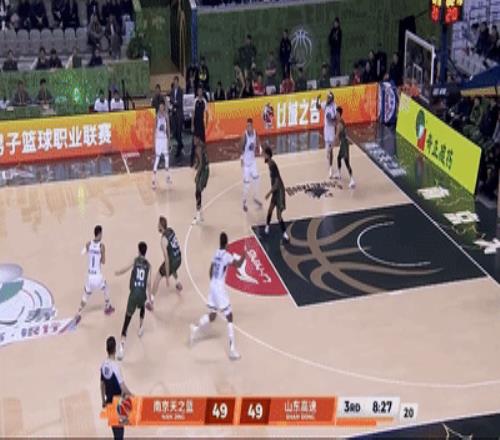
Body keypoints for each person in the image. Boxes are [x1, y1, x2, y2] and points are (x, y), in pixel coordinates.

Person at [190, 232, 246, 361]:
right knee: (229, 317)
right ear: (227, 244)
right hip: (219, 288)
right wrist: (244, 256)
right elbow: (238, 264)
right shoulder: (226, 256)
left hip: (213, 284)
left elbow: (210, 270)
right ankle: (232, 350)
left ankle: (195, 328)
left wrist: (213, 284)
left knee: (213, 315)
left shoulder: (216, 253)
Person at [114, 242, 152, 361]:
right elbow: (149, 283)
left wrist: (118, 272)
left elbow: (126, 269)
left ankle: (121, 348)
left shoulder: (135, 260)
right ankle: (141, 328)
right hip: (142, 294)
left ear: (139, 251)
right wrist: (150, 298)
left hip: (134, 293)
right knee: (142, 306)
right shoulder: (149, 265)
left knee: (127, 320)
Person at [75, 225, 115, 325]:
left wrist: (90, 252)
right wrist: (99, 256)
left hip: (89, 276)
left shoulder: (88, 244)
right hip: (97, 276)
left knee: (85, 296)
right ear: (100, 234)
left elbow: (82, 252)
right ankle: (108, 307)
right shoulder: (102, 246)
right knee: (106, 288)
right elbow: (104, 261)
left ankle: (78, 313)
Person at [100, 336, 132, 440]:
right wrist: (132, 395)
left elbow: (102, 384)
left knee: (115, 430)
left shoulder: (103, 365)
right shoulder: (116, 367)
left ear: (107, 349)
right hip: (117, 404)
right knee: (119, 433)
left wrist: (103, 401)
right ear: (115, 349)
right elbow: (123, 387)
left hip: (109, 402)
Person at [148, 216, 183, 307]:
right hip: (179, 258)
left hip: (172, 261)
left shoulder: (163, 240)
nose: (157, 226)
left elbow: (167, 259)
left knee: (158, 277)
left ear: (160, 226)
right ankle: (178, 283)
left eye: (158, 225)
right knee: (173, 268)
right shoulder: (171, 230)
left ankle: (151, 301)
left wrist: (167, 277)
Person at [263, 147, 289, 242]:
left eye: (264, 154)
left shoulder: (272, 166)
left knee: (278, 216)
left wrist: (269, 193)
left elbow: (277, 183)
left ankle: (285, 234)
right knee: (270, 209)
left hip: (279, 191)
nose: (263, 156)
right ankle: (267, 227)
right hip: (275, 190)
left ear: (268, 155)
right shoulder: (270, 164)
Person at [240, 118, 263, 212]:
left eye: (249, 126)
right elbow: (241, 147)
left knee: (257, 179)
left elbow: (258, 140)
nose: (248, 127)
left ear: (252, 126)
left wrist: (260, 147)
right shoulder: (244, 135)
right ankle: (244, 202)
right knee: (247, 185)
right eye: (247, 126)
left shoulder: (255, 132)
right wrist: (241, 158)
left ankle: (255, 197)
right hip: (246, 164)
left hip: (252, 162)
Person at [316, 91, 337, 178]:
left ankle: (331, 169)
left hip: (331, 129)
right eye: (327, 97)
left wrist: (331, 118)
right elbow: (318, 107)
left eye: (329, 98)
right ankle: (328, 157)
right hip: (326, 130)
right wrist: (317, 99)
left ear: (332, 99)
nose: (327, 99)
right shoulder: (325, 104)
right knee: (327, 151)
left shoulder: (334, 106)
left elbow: (336, 118)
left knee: (331, 150)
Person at [152, 101, 171, 188]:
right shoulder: (157, 116)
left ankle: (167, 177)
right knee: (157, 159)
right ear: (159, 108)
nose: (161, 108)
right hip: (158, 140)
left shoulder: (166, 116)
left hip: (164, 139)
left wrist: (169, 140)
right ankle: (153, 180)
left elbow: (168, 129)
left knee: (167, 158)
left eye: (162, 107)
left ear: (164, 107)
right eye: (160, 107)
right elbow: (154, 129)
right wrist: (153, 142)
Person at [334, 107, 355, 188]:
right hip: (343, 143)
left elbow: (336, 136)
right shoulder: (341, 121)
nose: (335, 114)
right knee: (339, 158)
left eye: (336, 113)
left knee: (346, 162)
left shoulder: (339, 124)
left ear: (339, 114)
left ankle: (352, 180)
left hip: (344, 144)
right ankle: (339, 174)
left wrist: (332, 145)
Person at [192, 136, 209, 225]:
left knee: (197, 193)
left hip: (204, 171)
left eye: (195, 139)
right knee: (198, 192)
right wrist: (196, 164)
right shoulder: (202, 145)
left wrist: (197, 175)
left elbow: (201, 164)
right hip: (206, 169)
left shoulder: (198, 148)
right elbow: (201, 160)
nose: (193, 140)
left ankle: (198, 216)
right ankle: (200, 215)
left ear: (198, 139)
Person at [191, 87, 208, 167]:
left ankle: (203, 161)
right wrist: (192, 125)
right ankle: (196, 161)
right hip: (196, 124)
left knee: (203, 144)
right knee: (195, 144)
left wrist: (206, 123)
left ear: (202, 92)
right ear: (197, 92)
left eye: (201, 91)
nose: (200, 92)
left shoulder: (204, 101)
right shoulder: (195, 101)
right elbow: (193, 113)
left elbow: (207, 113)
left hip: (201, 124)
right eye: (198, 91)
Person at [169, 76, 184, 159]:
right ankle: (180, 144)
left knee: (179, 132)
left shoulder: (181, 91)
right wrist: (174, 102)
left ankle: (179, 149)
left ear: (178, 82)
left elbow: (179, 103)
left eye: (176, 82)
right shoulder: (171, 91)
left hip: (179, 114)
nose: (175, 83)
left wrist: (174, 102)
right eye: (174, 82)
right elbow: (171, 100)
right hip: (173, 114)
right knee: (174, 133)